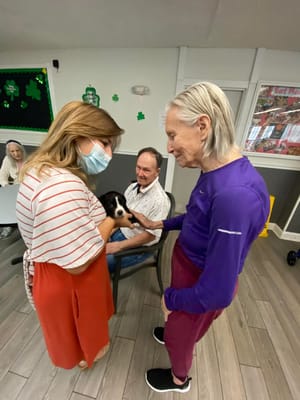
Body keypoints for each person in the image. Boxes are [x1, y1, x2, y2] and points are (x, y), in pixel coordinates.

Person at [132, 82, 270, 393]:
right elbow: (198, 216)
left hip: (201, 284)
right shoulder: (214, 171)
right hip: (188, 268)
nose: (168, 147)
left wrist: (170, 299)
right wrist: (162, 224)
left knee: (179, 340)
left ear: (203, 126)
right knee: (177, 326)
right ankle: (175, 325)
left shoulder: (234, 196)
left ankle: (179, 379)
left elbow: (217, 292)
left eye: (172, 135)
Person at [16, 101, 134, 370]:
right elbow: (78, 263)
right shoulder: (63, 188)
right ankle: (85, 359)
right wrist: (111, 222)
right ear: (77, 135)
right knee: (80, 334)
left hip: (55, 270)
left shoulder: (39, 170)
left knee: (80, 332)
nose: (109, 154)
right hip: (70, 279)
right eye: (104, 144)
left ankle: (86, 355)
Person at [106, 147, 170, 272]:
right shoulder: (132, 187)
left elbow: (150, 236)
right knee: (90, 251)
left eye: (146, 170)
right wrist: (109, 233)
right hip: (121, 233)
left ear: (157, 172)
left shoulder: (160, 200)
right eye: (138, 167)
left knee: (98, 264)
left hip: (138, 246)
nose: (140, 174)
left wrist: (118, 246)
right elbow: (122, 216)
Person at [0, 139, 27, 239]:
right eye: (12, 151)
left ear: (21, 150)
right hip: (11, 189)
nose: (16, 153)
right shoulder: (7, 160)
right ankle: (8, 226)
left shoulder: (29, 160)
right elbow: (2, 176)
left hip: (25, 190)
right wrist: (6, 186)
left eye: (17, 150)